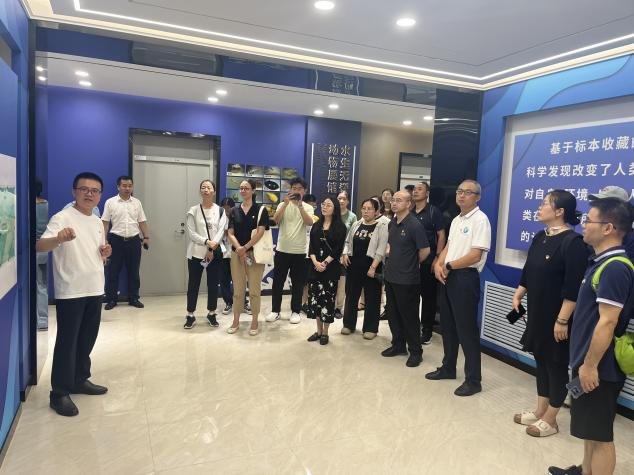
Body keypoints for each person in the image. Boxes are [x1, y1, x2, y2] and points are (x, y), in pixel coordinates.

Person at [548, 198, 634, 475]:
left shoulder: (615, 268)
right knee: (589, 429)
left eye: (589, 221)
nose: (583, 225)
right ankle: (585, 471)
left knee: (601, 436)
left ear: (608, 228)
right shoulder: (600, 263)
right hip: (587, 363)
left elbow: (608, 322)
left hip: (599, 368)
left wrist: (589, 365)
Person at [512, 190, 588, 437]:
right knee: (541, 360)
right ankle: (540, 409)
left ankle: (552, 418)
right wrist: (519, 292)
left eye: (545, 203)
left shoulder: (573, 243)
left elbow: (573, 287)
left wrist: (562, 320)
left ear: (560, 211)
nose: (539, 207)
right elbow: (529, 270)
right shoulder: (540, 236)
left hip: (558, 317)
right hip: (538, 312)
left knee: (556, 364)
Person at [36, 172, 112, 417]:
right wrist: (58, 238)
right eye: (84, 189)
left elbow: (98, 253)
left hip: (95, 287)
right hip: (71, 290)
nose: (89, 194)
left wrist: (105, 252)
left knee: (87, 338)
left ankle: (79, 379)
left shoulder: (97, 222)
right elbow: (40, 245)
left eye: (95, 191)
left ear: (100, 195)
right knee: (67, 342)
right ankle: (59, 392)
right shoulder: (62, 217)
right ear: (74, 192)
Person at [426, 180, 491, 397]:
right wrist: (439, 264)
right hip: (449, 275)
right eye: (459, 191)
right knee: (448, 326)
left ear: (477, 197)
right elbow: (448, 246)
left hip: (465, 277)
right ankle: (448, 367)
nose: (461, 195)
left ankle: (473, 380)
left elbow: (476, 255)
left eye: (467, 192)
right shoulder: (456, 219)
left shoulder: (480, 220)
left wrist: (449, 265)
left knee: (467, 330)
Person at [381, 191, 430, 367]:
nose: (394, 203)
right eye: (393, 200)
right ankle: (398, 345)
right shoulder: (392, 223)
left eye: (399, 200)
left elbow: (425, 251)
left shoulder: (414, 225)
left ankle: (416, 351)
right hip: (391, 276)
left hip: (408, 279)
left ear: (409, 204)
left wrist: (410, 263)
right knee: (393, 314)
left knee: (409, 317)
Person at [266, 177, 314, 324]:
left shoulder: (308, 207)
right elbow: (275, 220)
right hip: (282, 250)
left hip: (300, 251)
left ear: (304, 191)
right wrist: (285, 204)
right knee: (278, 282)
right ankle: (275, 311)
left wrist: (300, 206)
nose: (296, 191)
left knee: (298, 283)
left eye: (300, 189)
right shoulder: (283, 204)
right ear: (290, 189)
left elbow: (309, 223)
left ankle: (295, 311)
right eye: (294, 188)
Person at [226, 179, 269, 335]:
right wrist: (239, 248)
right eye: (241, 188)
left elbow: (260, 232)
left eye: (246, 188)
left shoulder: (261, 210)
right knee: (238, 291)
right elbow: (230, 233)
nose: (243, 191)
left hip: (254, 254)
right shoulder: (234, 211)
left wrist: (245, 248)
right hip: (236, 254)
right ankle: (235, 320)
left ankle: (255, 321)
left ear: (253, 190)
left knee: (254, 291)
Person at [341, 198, 388, 339]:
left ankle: (370, 328)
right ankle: (348, 324)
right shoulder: (357, 224)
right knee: (351, 296)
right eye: (364, 208)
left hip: (372, 267)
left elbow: (381, 249)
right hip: (353, 266)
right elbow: (347, 242)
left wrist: (373, 267)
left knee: (372, 298)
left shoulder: (381, 226)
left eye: (370, 209)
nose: (366, 211)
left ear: (376, 211)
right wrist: (345, 253)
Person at [183, 180, 227, 330]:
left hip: (214, 255)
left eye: (209, 187)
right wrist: (207, 242)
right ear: (200, 191)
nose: (206, 190)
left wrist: (212, 246)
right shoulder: (193, 210)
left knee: (213, 284)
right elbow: (191, 233)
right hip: (196, 254)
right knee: (193, 285)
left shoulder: (220, 211)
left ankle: (211, 313)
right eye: (203, 187)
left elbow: (221, 231)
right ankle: (190, 314)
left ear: (214, 191)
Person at [102, 176, 150, 310]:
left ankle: (134, 298)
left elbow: (142, 221)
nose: (127, 188)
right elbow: (105, 223)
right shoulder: (110, 202)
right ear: (118, 187)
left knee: (134, 271)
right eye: (124, 186)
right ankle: (111, 299)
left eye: (130, 186)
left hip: (134, 240)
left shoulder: (137, 203)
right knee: (113, 271)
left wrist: (146, 237)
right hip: (116, 240)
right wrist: (104, 240)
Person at [306, 196, 347, 345]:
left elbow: (337, 250)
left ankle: (325, 332)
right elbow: (311, 246)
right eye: (323, 204)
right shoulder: (316, 225)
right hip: (315, 268)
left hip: (330, 269)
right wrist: (315, 262)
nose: (324, 207)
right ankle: (318, 331)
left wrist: (324, 263)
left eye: (328, 205)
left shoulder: (340, 227)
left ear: (335, 208)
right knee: (315, 300)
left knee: (327, 301)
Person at [411, 182, 446, 345]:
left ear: (427, 193)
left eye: (420, 189)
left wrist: (438, 258)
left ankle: (427, 330)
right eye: (414, 189)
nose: (415, 191)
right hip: (411, 261)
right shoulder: (410, 212)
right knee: (411, 295)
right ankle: (413, 327)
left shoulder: (433, 212)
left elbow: (441, 235)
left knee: (428, 297)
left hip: (429, 260)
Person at [588, 186, 634, 259]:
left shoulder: (631, 240)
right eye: (597, 203)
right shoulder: (594, 236)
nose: (598, 207)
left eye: (605, 204)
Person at [335, 190, 357, 319]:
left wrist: (346, 253)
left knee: (342, 282)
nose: (341, 201)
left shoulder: (352, 216)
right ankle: (329, 304)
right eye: (339, 198)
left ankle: (338, 307)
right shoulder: (332, 213)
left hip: (344, 254)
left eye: (344, 198)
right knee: (330, 280)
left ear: (348, 201)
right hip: (330, 253)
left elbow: (353, 237)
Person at [35, 179, 50, 330]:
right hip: (44, 248)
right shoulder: (46, 204)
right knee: (42, 284)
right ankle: (43, 319)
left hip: (31, 249)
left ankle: (40, 319)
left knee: (37, 285)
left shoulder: (26, 207)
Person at [301, 193, 318, 313]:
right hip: (299, 251)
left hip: (310, 253)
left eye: (314, 206)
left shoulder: (316, 218)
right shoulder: (300, 215)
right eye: (311, 205)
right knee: (300, 280)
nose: (312, 208)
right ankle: (300, 302)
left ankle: (305, 302)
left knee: (307, 280)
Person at [219, 197, 235, 315]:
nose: (226, 211)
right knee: (224, 280)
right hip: (223, 253)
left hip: (235, 252)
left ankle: (243, 302)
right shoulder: (218, 219)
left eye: (228, 208)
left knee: (238, 280)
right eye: (224, 208)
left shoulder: (238, 217)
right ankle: (228, 302)